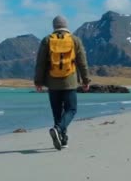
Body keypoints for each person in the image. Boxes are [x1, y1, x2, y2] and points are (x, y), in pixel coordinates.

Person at [34, 15, 91, 150]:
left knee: (57, 111)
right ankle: (60, 131)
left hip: (52, 83)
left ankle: (62, 138)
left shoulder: (47, 40)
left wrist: (38, 81)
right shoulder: (74, 40)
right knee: (71, 109)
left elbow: (40, 63)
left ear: (54, 26)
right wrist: (86, 80)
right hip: (69, 82)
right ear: (66, 25)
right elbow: (82, 63)